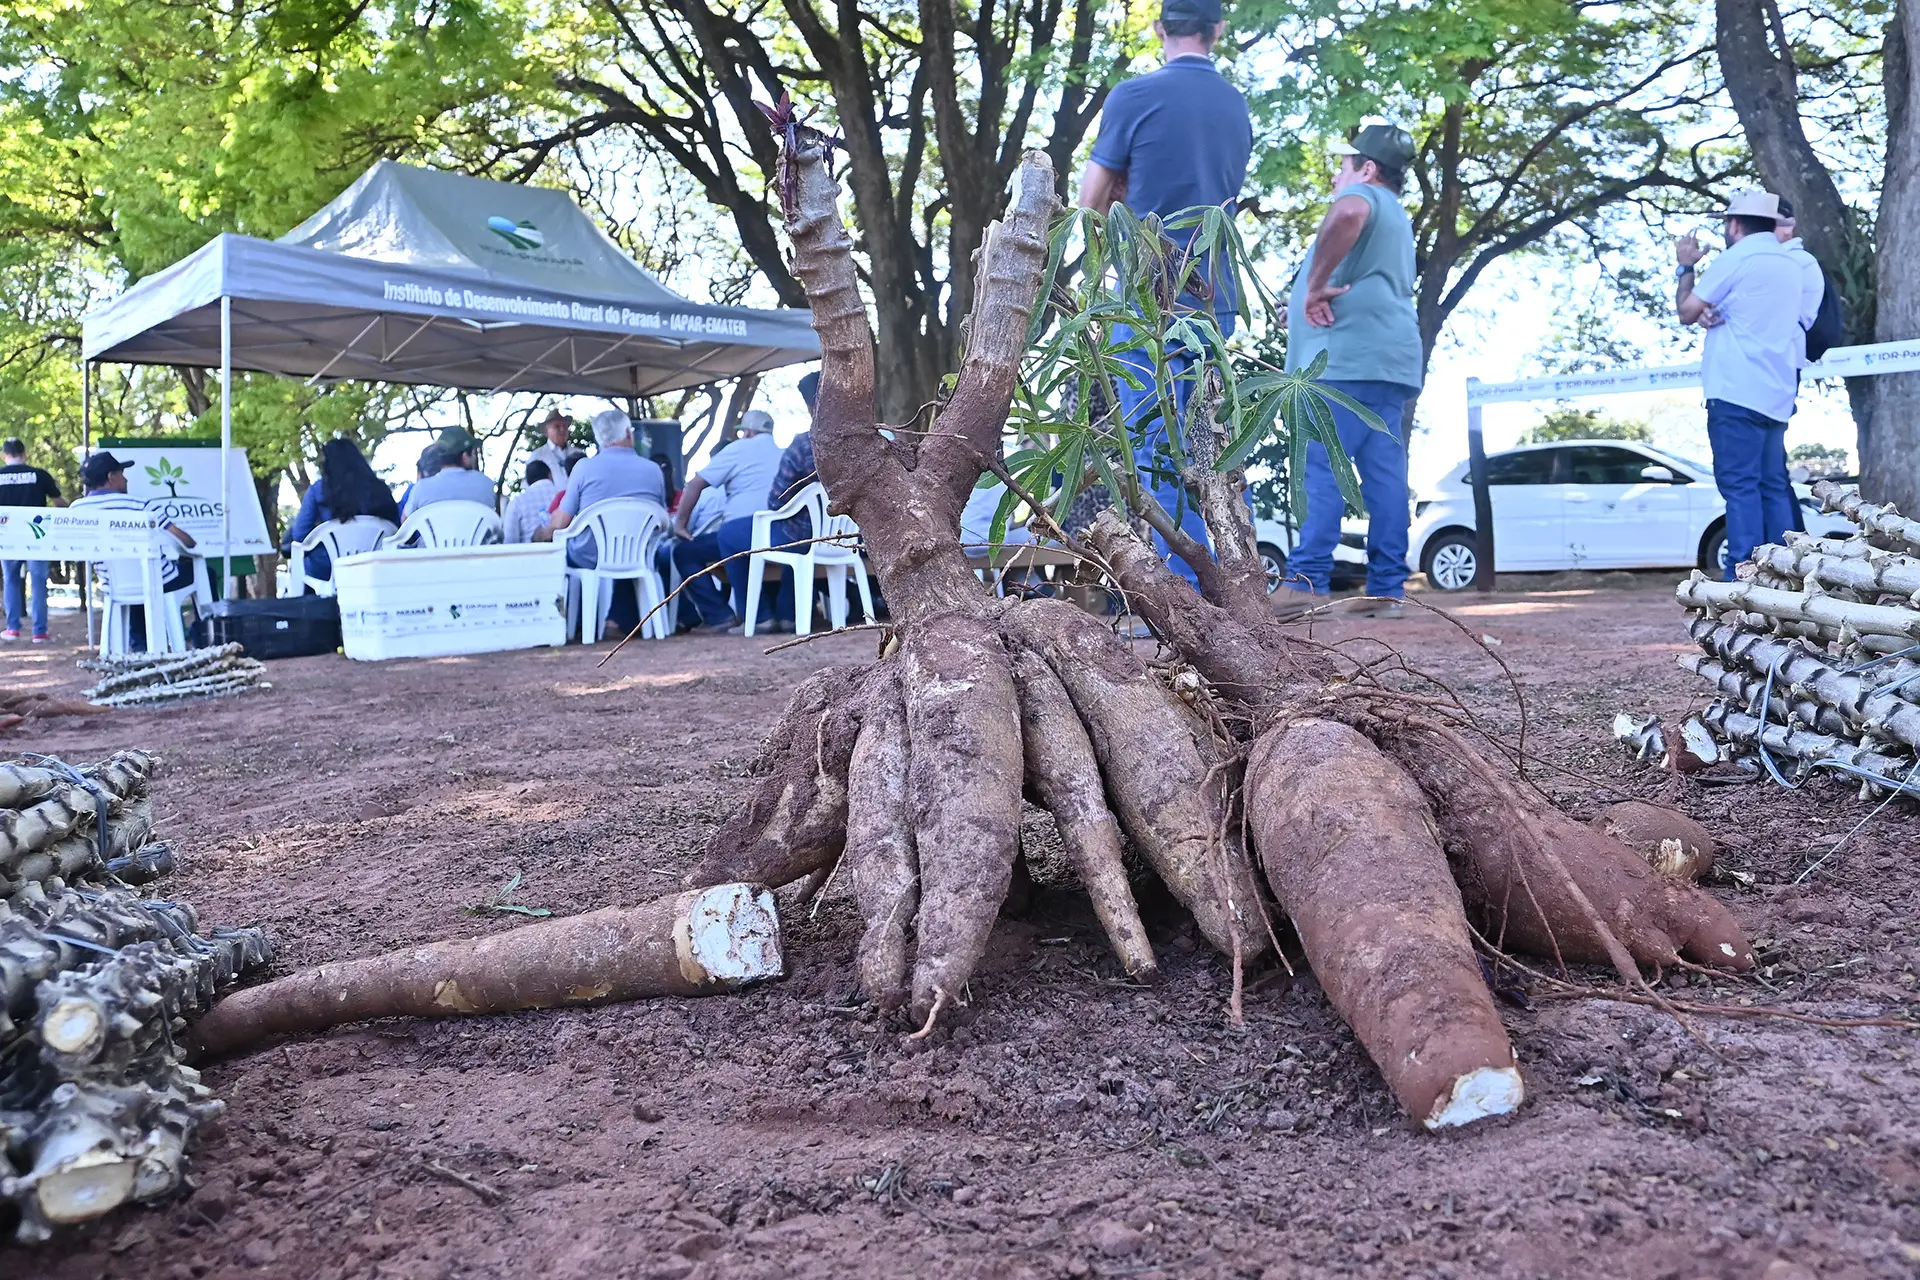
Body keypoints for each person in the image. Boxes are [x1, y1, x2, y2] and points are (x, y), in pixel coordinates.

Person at [1076, 0, 1250, 587]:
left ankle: (1180, 595)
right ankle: (1225, 582)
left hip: (1148, 293)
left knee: (1152, 442)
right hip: (1215, 294)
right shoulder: (1236, 106)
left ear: (1159, 28)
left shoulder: (1132, 95)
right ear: (1218, 30)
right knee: (1210, 440)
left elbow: (1091, 201)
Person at [1277, 123, 1424, 621]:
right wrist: (1298, 301)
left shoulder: (1365, 197)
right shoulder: (1398, 217)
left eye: (1345, 165)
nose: (1339, 176)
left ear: (1368, 168)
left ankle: (1306, 585)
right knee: (1384, 476)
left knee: (1320, 469)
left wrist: (1313, 286)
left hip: (1340, 364)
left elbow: (1348, 212)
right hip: (1390, 361)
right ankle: (1387, 590)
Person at [1676, 190, 1805, 578]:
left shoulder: (1736, 258)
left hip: (1734, 390)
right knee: (1772, 486)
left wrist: (1685, 268)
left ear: (1734, 225)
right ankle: (1787, 573)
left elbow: (1686, 311)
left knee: (1740, 487)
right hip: (1776, 390)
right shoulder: (1790, 264)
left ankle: (1742, 574)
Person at [541, 408, 667, 637]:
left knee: (562, 555)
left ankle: (571, 626)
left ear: (598, 438)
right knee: (627, 553)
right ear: (629, 433)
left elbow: (561, 522)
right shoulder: (654, 470)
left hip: (590, 555)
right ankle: (618, 620)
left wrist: (544, 528)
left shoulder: (584, 467)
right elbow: (661, 517)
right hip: (639, 553)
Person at [672, 410, 788, 634]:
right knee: (734, 539)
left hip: (743, 532)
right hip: (781, 532)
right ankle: (783, 614)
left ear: (747, 432)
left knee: (686, 552)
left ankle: (723, 616)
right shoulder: (784, 453)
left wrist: (681, 524)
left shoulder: (736, 449)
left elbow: (695, 484)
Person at [72, 452, 197, 649]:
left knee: (137, 579)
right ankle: (205, 636)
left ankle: (140, 646)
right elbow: (186, 541)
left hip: (113, 583)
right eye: (122, 473)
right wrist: (189, 543)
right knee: (201, 572)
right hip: (158, 580)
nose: (126, 478)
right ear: (111, 477)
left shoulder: (77, 510)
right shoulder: (140, 505)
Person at [282, 437, 402, 586]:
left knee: (303, 564)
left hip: (328, 568)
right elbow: (396, 531)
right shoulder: (380, 489)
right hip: (374, 565)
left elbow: (300, 534)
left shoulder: (317, 490)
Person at [1774, 198, 1826, 534]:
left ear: (1789, 225)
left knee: (1770, 468)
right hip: (1775, 366)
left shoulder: (1796, 263)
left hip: (1779, 367)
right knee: (1770, 465)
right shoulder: (1786, 261)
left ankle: (1787, 542)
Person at [0, 437, 64, 642]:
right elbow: (59, 503)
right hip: (38, 534)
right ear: (24, 453)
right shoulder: (39, 475)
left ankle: (13, 628)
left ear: (4, 455)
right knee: (38, 582)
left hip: (7, 535)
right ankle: (40, 632)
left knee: (10, 580)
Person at [401, 428, 495, 516]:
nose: (474, 457)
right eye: (474, 453)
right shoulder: (486, 483)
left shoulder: (421, 488)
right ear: (465, 456)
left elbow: (405, 523)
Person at [501, 459, 560, 544]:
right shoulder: (565, 496)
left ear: (528, 481)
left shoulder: (517, 502)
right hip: (564, 554)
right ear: (550, 475)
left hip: (529, 555)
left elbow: (509, 541)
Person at [528, 411, 574, 484]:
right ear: (546, 431)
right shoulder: (538, 456)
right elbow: (530, 485)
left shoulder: (578, 453)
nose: (562, 430)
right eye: (557, 426)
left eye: (565, 426)